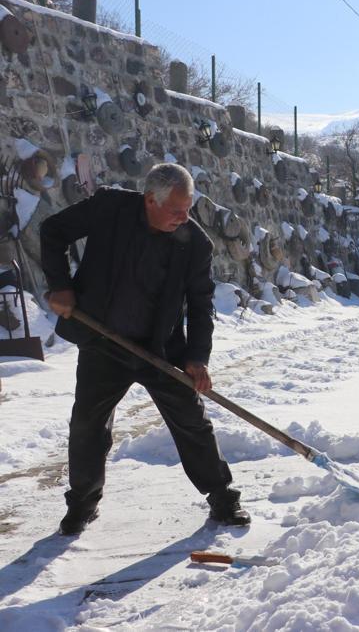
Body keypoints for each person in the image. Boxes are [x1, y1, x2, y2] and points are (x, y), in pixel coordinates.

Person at [40, 163, 250, 536]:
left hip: (161, 348)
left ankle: (222, 496)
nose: (184, 218)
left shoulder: (196, 244)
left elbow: (201, 305)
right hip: (104, 340)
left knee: (191, 420)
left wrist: (197, 358)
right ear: (150, 200)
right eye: (176, 210)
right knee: (88, 423)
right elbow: (52, 231)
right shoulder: (109, 208)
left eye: (188, 209)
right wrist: (61, 285)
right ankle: (83, 504)